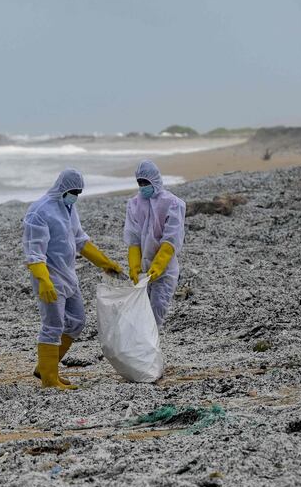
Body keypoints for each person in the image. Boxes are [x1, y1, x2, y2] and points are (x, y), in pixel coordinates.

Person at [23, 168, 123, 390]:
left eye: (78, 192)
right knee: (53, 324)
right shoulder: (39, 212)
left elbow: (80, 240)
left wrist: (105, 263)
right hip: (49, 276)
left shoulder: (69, 208)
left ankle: (45, 367)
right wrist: (43, 280)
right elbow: (34, 252)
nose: (75, 195)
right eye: (72, 191)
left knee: (77, 321)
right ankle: (49, 379)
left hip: (68, 274)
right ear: (62, 188)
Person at [124, 160, 186, 328]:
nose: (143, 186)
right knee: (141, 314)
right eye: (140, 182)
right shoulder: (134, 204)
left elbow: (171, 239)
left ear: (155, 180)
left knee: (156, 310)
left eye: (146, 182)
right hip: (143, 270)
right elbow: (133, 238)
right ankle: (142, 349)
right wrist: (134, 266)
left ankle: (149, 350)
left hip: (165, 270)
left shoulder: (173, 203)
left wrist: (158, 266)